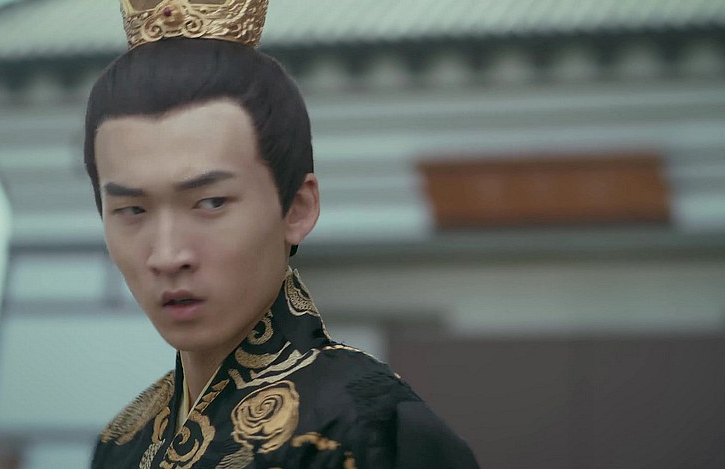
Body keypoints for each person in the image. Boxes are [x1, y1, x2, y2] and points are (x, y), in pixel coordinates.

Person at [87, 1, 479, 467]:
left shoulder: (370, 428)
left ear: (297, 207)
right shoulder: (123, 442)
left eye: (211, 203)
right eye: (132, 210)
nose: (168, 255)